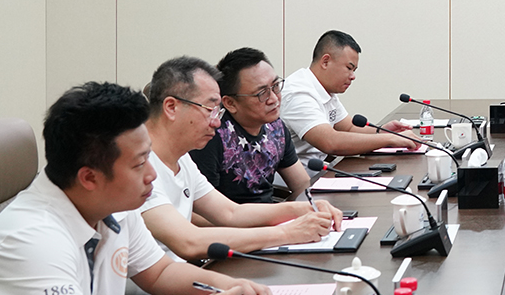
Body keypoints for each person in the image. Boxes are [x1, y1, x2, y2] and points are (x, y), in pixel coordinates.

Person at [0, 82, 271, 295]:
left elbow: (160, 272)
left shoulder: (115, 204)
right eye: (139, 164)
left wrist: (229, 286)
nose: (152, 175)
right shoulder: (28, 235)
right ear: (89, 177)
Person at [135, 56, 343, 266]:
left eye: (217, 112)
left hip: (181, 274)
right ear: (171, 107)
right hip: (165, 283)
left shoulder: (182, 159)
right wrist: (287, 233)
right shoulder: (139, 167)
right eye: (209, 110)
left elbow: (231, 213)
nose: (217, 122)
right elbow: (190, 242)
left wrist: (303, 208)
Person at [189, 47, 309, 203]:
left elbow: (302, 185)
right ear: (230, 103)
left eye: (275, 86)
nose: (274, 99)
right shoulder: (211, 137)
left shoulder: (275, 126)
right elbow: (200, 209)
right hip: (229, 217)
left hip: (272, 214)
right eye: (262, 93)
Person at [280, 30, 419, 161]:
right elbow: (330, 142)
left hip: (319, 172)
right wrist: (391, 139)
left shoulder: (324, 89)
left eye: (354, 70)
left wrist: (381, 131)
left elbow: (349, 128)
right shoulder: (298, 93)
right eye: (349, 68)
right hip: (301, 178)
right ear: (325, 62)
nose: (353, 76)